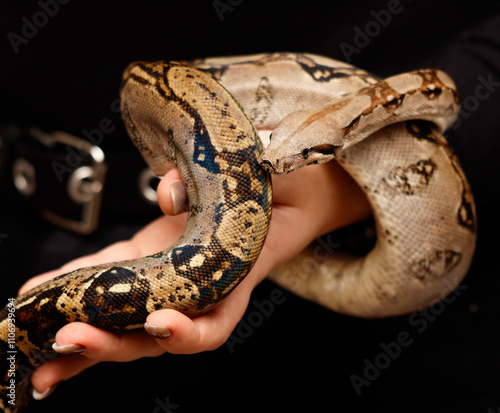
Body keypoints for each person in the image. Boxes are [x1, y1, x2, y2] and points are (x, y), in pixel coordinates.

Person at [1, 1, 499, 412]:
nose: (277, 162)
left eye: (300, 157)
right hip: (24, 220)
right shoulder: (301, 137)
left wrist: (336, 193)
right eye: (277, 152)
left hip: (380, 355)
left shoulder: (363, 122)